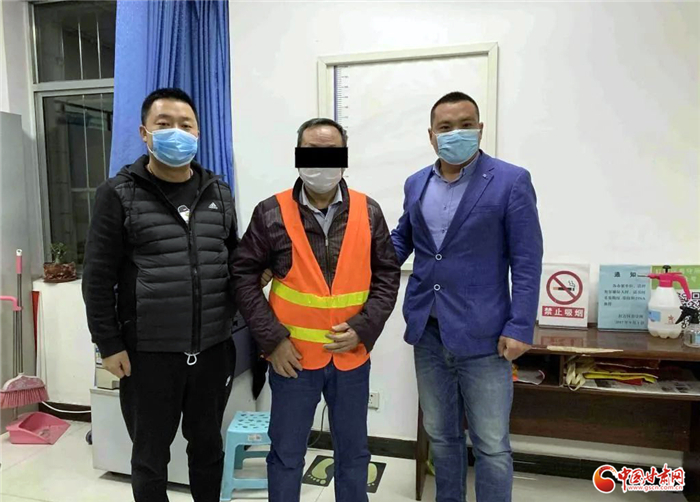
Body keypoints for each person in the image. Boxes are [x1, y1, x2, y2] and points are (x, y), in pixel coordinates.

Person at [82, 88, 238, 502]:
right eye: (164, 124)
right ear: (144, 133)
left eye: (185, 125)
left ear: (198, 133)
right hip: (147, 355)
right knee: (150, 458)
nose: (176, 133)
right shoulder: (119, 193)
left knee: (208, 448)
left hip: (212, 349)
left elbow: (233, 259)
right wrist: (108, 343)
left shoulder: (218, 192)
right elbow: (97, 277)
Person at [232, 118, 400, 502]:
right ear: (298, 156)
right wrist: (272, 341)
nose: (321, 161)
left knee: (353, 455)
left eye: (330, 152)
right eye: (311, 151)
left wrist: (364, 327)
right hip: (292, 361)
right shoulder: (270, 213)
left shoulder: (369, 211)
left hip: (351, 359)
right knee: (286, 455)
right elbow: (243, 277)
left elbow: (387, 275)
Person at [391, 92, 544, 502]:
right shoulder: (416, 182)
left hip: (485, 336)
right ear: (431, 135)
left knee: (491, 443)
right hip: (427, 330)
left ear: (479, 129)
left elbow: (527, 259)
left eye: (465, 124)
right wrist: (354, 258)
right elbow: (403, 239)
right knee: (441, 436)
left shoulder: (511, 180)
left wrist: (521, 325)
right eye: (445, 127)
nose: (455, 133)